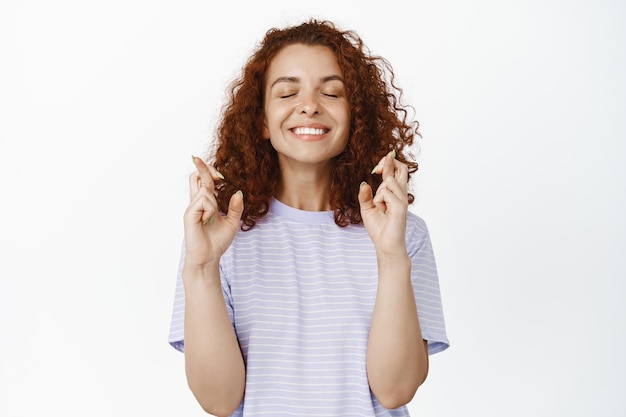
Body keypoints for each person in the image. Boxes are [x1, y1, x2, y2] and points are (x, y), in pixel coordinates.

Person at [168, 19, 449, 417]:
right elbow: (218, 399)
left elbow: (396, 389)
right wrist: (201, 267)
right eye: (287, 91)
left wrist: (390, 256)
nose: (310, 104)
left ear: (356, 117)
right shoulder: (217, 237)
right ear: (262, 121)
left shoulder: (402, 232)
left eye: (332, 92)